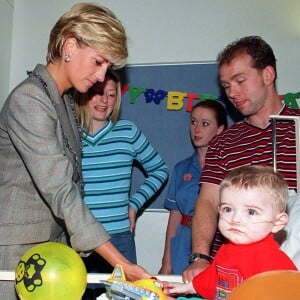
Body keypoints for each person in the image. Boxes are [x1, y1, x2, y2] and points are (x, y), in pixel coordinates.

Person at [0, 3, 149, 299]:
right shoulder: (30, 99)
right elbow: (60, 190)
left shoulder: (65, 102)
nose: (101, 75)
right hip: (17, 249)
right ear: (69, 46)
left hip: (53, 246)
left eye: (108, 67)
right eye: (98, 62)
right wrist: (120, 261)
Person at [183, 35, 300, 282]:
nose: (233, 93)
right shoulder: (223, 142)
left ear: (268, 75)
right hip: (234, 274)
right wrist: (200, 257)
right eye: (226, 86)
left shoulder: (297, 126)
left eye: (240, 81)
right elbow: (208, 201)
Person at [75, 70, 169, 298]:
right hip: (79, 241)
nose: (104, 100)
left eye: (111, 94)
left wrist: (134, 204)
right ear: (84, 94)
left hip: (119, 240)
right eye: (98, 93)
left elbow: (160, 169)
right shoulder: (71, 135)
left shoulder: (127, 131)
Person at [164, 166, 297, 300]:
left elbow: (289, 289)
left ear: (277, 223)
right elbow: (211, 278)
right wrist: (185, 288)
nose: (235, 219)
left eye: (251, 212)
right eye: (228, 209)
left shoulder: (272, 261)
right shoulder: (227, 248)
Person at [158, 100, 227, 275]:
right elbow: (174, 217)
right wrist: (167, 262)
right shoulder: (182, 168)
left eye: (205, 124)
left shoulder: (229, 168)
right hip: (183, 242)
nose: (197, 129)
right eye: (193, 122)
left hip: (217, 240)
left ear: (220, 129)